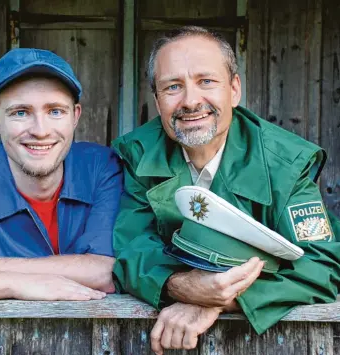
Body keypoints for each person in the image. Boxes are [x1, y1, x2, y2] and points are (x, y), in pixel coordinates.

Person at [112, 26, 340, 354]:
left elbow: (322, 266)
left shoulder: (286, 162)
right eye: (173, 86)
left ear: (234, 89)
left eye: (206, 81)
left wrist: (222, 299)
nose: (191, 101)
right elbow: (131, 248)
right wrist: (180, 287)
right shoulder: (137, 152)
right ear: (157, 100)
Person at [0, 48, 123, 302]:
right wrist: (13, 284)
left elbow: (105, 271)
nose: (40, 131)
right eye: (21, 112)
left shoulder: (101, 166)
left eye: (55, 111)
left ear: (75, 116)